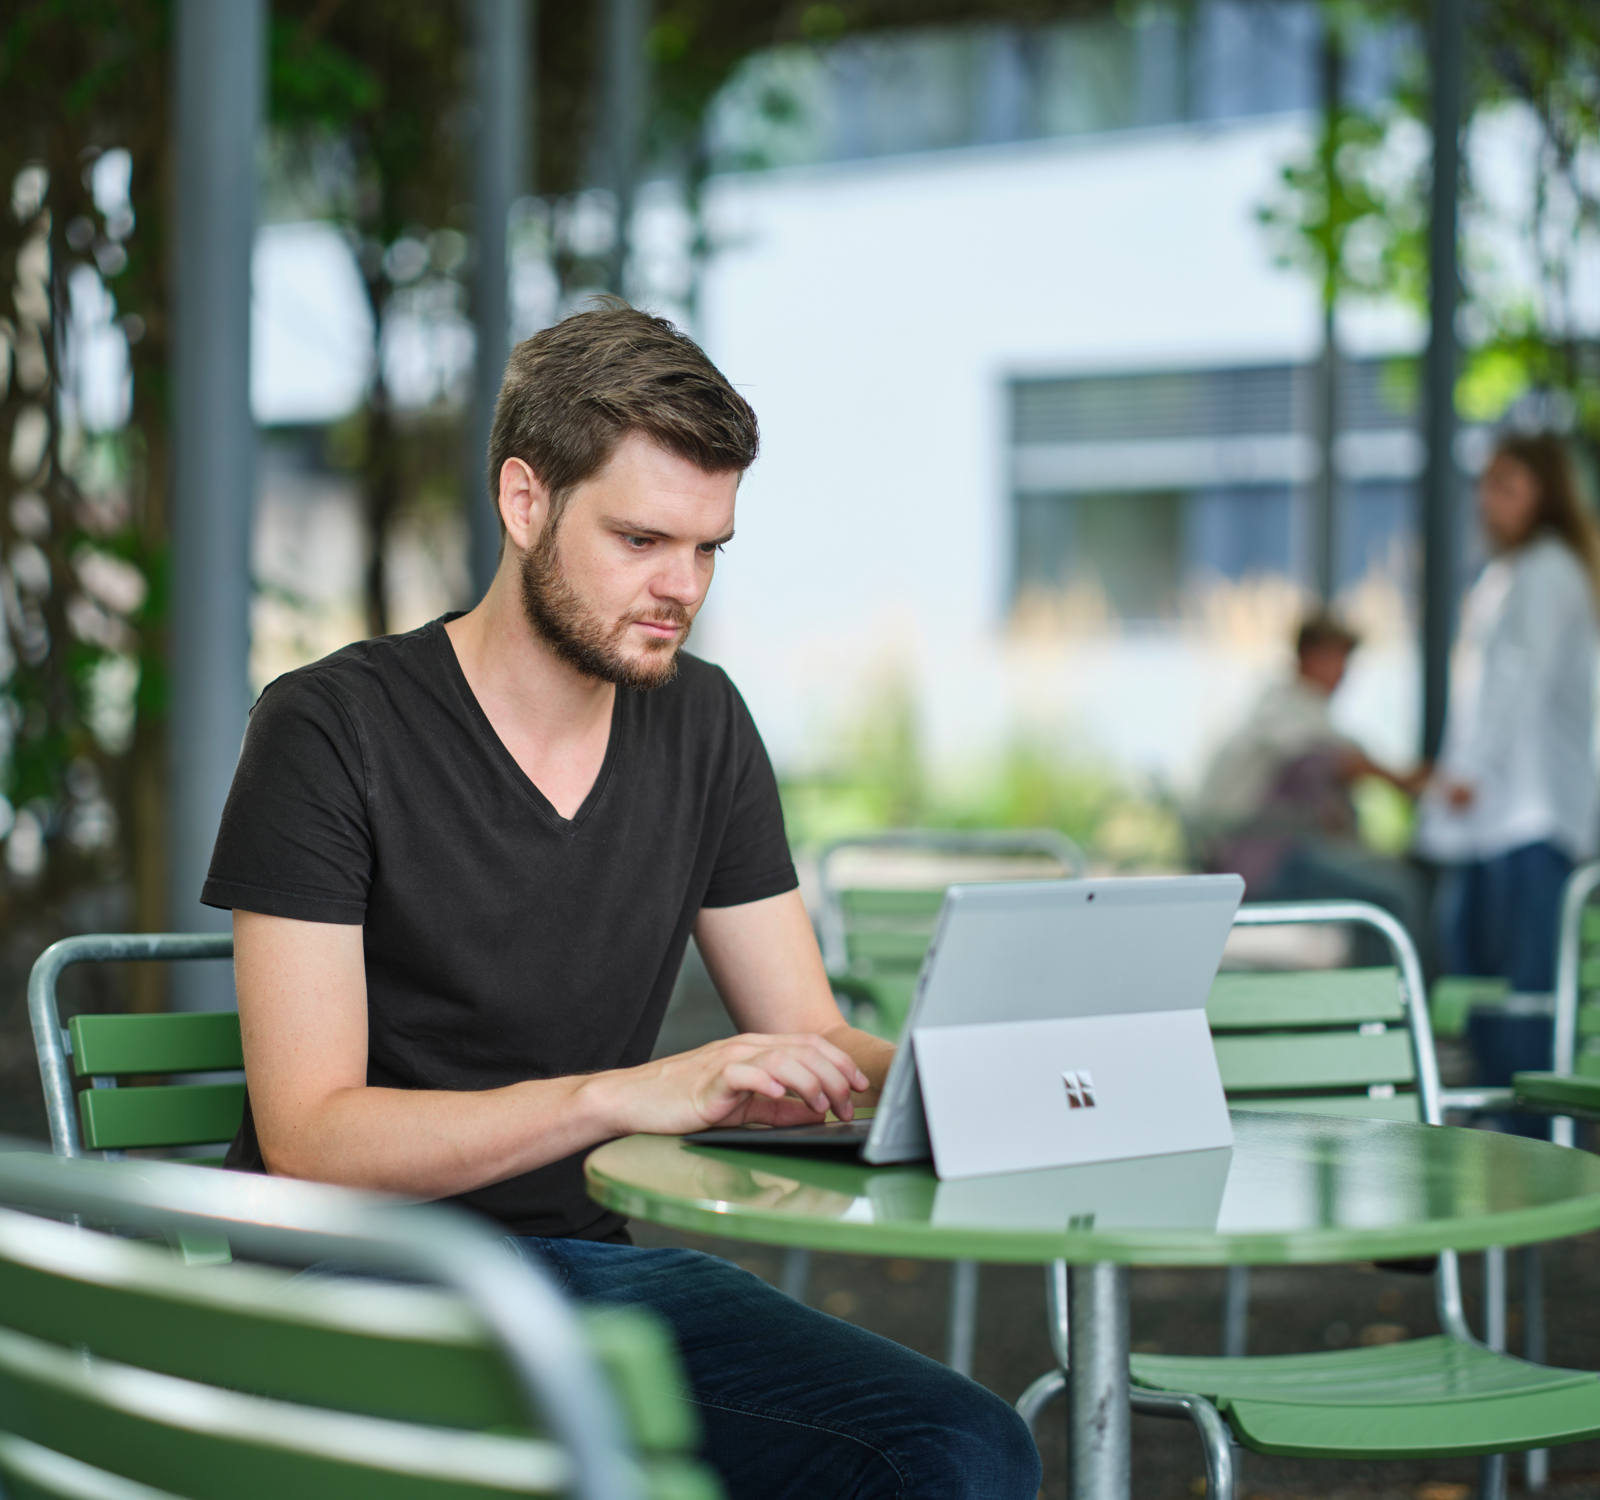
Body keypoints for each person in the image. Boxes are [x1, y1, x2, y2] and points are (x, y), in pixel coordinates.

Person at [201, 301, 1041, 1499]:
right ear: (524, 500)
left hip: (589, 1281)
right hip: (351, 1282)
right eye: (643, 540)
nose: (681, 586)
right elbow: (314, 1142)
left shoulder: (702, 724)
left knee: (962, 1444)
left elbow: (811, 1038)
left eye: (708, 549)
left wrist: (958, 1083)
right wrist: (621, 1097)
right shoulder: (331, 726)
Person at [1415, 432, 1600, 1077]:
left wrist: (1461, 777)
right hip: (1495, 820)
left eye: (1506, 486)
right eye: (1485, 483)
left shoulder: (1548, 571)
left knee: (1521, 1009)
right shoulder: (1509, 574)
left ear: (1545, 496)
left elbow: (1517, 685)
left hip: (1528, 817)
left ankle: (1532, 1161)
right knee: (1486, 1002)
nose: (1487, 500)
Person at [1192, 613, 1427, 952]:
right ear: (1308, 657)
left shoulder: (1296, 707)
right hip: (1259, 860)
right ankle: (1391, 998)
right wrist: (1411, 782)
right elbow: (1346, 761)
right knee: (1394, 892)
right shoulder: (1285, 710)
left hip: (1270, 849)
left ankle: (1370, 992)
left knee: (1382, 877)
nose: (1344, 674)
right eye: (1337, 660)